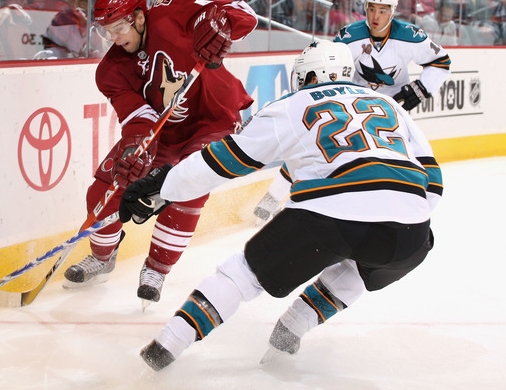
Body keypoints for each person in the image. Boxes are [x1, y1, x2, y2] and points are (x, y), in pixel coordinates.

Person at [118, 39, 443, 371]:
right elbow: (433, 180)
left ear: (312, 77)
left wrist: (166, 186)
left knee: (242, 274)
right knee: (357, 268)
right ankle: (288, 334)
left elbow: (230, 158)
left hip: (330, 218)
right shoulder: (389, 104)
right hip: (412, 233)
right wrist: (395, 212)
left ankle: (162, 351)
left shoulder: (294, 104)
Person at [62, 0, 258, 308]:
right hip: (163, 133)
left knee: (190, 185)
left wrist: (222, 24)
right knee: (105, 187)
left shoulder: (171, 13)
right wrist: (136, 149)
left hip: (213, 120)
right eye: (106, 30)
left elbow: (243, 14)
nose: (114, 37)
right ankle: (102, 257)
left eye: (119, 27)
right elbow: (138, 117)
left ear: (140, 17)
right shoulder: (109, 71)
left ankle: (156, 269)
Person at [253, 0, 450, 224]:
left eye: (383, 10)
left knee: (403, 155)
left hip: (391, 112)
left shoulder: (410, 36)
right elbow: (330, 67)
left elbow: (440, 61)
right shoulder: (350, 36)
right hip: (352, 108)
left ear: (393, 11)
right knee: (315, 148)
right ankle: (270, 201)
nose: (376, 16)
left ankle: (401, 204)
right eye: (372, 9)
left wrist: (420, 89)